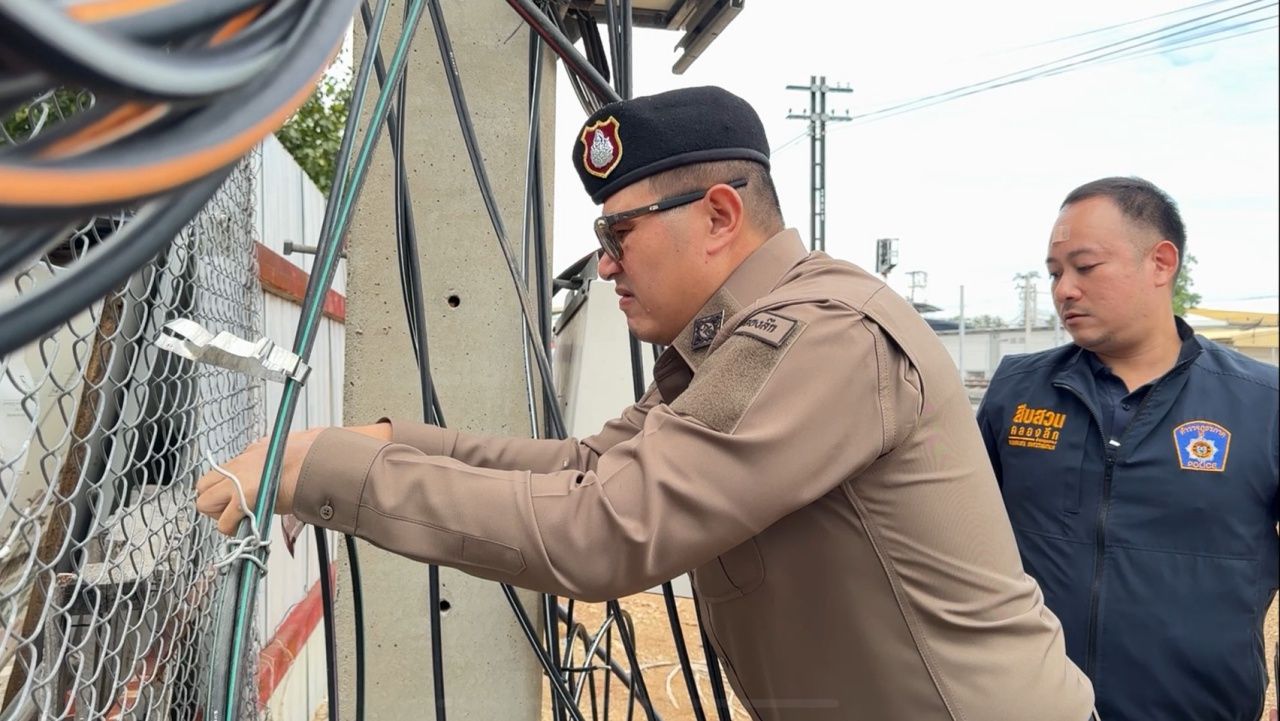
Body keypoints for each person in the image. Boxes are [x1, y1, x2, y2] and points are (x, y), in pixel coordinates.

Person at [197, 86, 1095, 720]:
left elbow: (604, 527)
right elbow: (588, 465)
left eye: (619, 233)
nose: (605, 264)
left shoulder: (823, 335)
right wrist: (391, 440)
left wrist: (324, 471)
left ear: (719, 216)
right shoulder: (731, 344)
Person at [976, 177, 1279, 721]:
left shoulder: (1262, 403)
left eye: (1085, 267)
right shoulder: (1016, 392)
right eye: (1055, 273)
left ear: (1161, 263)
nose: (1064, 290)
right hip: (1030, 707)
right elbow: (960, 543)